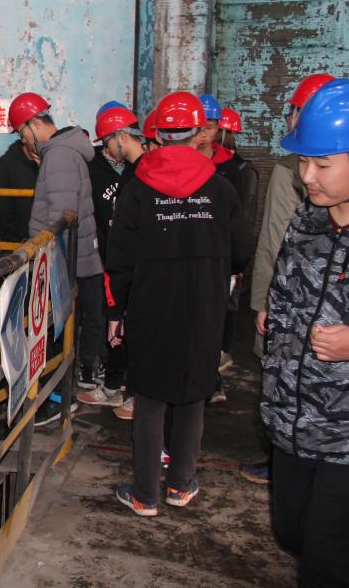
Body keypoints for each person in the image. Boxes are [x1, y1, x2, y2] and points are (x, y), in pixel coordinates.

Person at [107, 91, 250, 517]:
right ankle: (180, 485)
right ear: (198, 133)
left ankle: (145, 494)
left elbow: (119, 261)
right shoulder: (221, 189)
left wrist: (116, 314)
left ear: (156, 134)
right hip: (204, 305)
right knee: (193, 393)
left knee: (150, 398)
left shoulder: (136, 191)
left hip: (150, 306)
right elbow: (242, 253)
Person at [260, 78, 349, 586]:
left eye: (322, 165)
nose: (307, 176)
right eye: (303, 161)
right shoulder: (307, 220)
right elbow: (284, 298)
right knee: (293, 532)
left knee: (328, 562)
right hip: (292, 421)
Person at [241, 72, 334, 486]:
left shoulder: (289, 168)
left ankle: (284, 461)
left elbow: (275, 242)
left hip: (295, 304)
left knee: (285, 380)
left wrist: (263, 301)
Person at [10, 92, 104, 403]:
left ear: (34, 123)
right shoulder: (62, 151)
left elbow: (61, 219)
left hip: (59, 262)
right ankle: (60, 395)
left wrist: (52, 267)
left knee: (53, 331)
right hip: (72, 258)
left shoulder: (59, 156)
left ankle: (56, 400)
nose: (25, 140)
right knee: (62, 329)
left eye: (23, 133)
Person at [79, 104, 145, 413]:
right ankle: (115, 385)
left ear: (121, 136)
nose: (108, 147)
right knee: (114, 324)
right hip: (113, 257)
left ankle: (134, 391)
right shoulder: (114, 169)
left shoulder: (142, 171)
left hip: (135, 260)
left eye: (109, 140)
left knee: (130, 325)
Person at [210, 107, 259, 394]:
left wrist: (239, 261)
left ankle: (217, 365)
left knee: (225, 309)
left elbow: (245, 219)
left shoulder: (241, 170)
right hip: (213, 255)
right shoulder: (210, 166)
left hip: (228, 256)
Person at [0, 116, 40, 244]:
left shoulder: (47, 162)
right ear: (24, 138)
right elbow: (2, 209)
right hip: (15, 242)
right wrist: (25, 236)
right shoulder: (5, 164)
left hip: (43, 241)